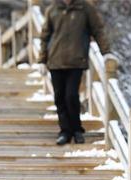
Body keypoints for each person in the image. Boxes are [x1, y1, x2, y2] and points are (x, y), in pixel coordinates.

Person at [39, 0, 111, 145]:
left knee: (71, 95)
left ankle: (77, 130)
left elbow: (98, 30)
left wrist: (106, 53)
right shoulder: (53, 9)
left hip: (76, 60)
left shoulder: (85, 9)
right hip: (55, 61)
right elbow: (45, 36)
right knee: (59, 97)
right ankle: (65, 131)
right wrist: (42, 60)